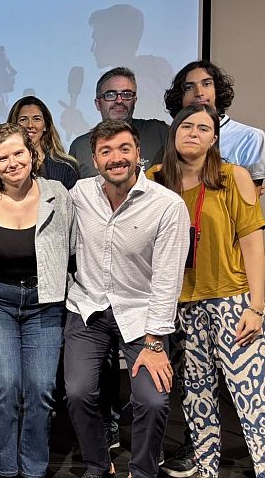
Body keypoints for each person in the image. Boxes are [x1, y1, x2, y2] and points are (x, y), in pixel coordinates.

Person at [65, 119, 190, 478]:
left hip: (141, 316)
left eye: (123, 149)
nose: (116, 158)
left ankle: (143, 470)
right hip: (87, 308)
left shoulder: (167, 206)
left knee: (152, 399)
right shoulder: (80, 195)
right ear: (94, 158)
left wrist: (154, 343)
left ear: (139, 154)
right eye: (106, 151)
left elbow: (168, 279)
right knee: (77, 392)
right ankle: (97, 463)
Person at [148, 104, 265, 478]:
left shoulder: (234, 177)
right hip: (180, 304)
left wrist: (257, 306)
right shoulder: (154, 179)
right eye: (186, 125)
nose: (193, 132)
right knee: (196, 393)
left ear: (214, 138)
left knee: (251, 394)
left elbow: (252, 244)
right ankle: (205, 465)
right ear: (174, 131)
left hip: (231, 298)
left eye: (203, 127)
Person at [0, 123, 74, 478]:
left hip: (45, 304)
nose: (12, 162)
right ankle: (2, 467)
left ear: (32, 154)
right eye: (2, 157)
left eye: (18, 153)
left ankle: (34, 469)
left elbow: (72, 249)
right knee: (4, 387)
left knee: (41, 389)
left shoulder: (58, 194)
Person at [165, 60, 265, 190]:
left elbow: (250, 201)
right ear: (180, 96)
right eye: (189, 87)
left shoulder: (250, 137)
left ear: (217, 90)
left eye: (206, 84)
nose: (199, 92)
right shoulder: (173, 135)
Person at [69, 67, 169, 179]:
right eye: (110, 95)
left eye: (126, 94)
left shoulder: (159, 132)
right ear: (98, 104)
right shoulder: (80, 147)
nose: (119, 100)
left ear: (135, 101)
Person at [7, 96, 79, 189]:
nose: (30, 125)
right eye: (23, 119)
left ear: (45, 126)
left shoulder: (66, 166)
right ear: (13, 126)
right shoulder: (2, 166)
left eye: (36, 119)